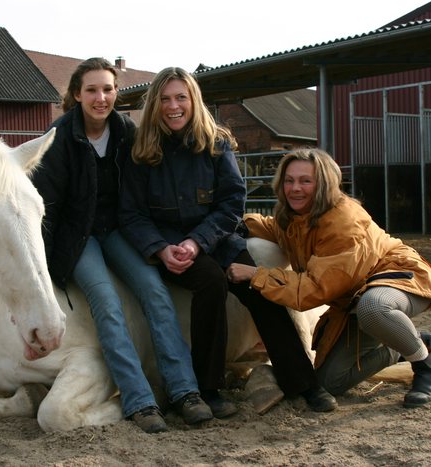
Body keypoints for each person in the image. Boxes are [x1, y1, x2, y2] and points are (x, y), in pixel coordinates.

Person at [119, 67, 337, 418]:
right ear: (155, 105)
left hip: (216, 240)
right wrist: (161, 249)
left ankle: (304, 383)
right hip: (168, 246)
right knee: (209, 280)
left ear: (193, 100)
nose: (173, 106)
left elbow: (232, 202)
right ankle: (209, 387)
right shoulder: (141, 150)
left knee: (260, 286)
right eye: (165, 99)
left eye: (180, 98)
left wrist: (198, 240)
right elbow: (131, 214)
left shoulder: (216, 143)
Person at [30, 58, 213, 434]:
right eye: (92, 90)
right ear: (77, 94)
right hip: (77, 236)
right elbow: (45, 207)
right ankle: (139, 400)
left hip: (117, 229)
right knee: (107, 302)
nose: (101, 97)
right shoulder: (59, 136)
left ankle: (184, 391)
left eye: (108, 89)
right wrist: (48, 268)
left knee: (153, 290)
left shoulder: (126, 131)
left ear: (117, 92)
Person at [227, 148, 431, 408]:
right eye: (289, 180)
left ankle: (425, 366)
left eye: (306, 181)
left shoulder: (343, 222)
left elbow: (312, 291)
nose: (295, 188)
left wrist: (256, 275)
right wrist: (231, 224)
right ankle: (411, 342)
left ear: (324, 184)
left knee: (374, 307)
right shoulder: (294, 216)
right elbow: (273, 227)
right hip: (352, 302)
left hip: (396, 277)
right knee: (330, 382)